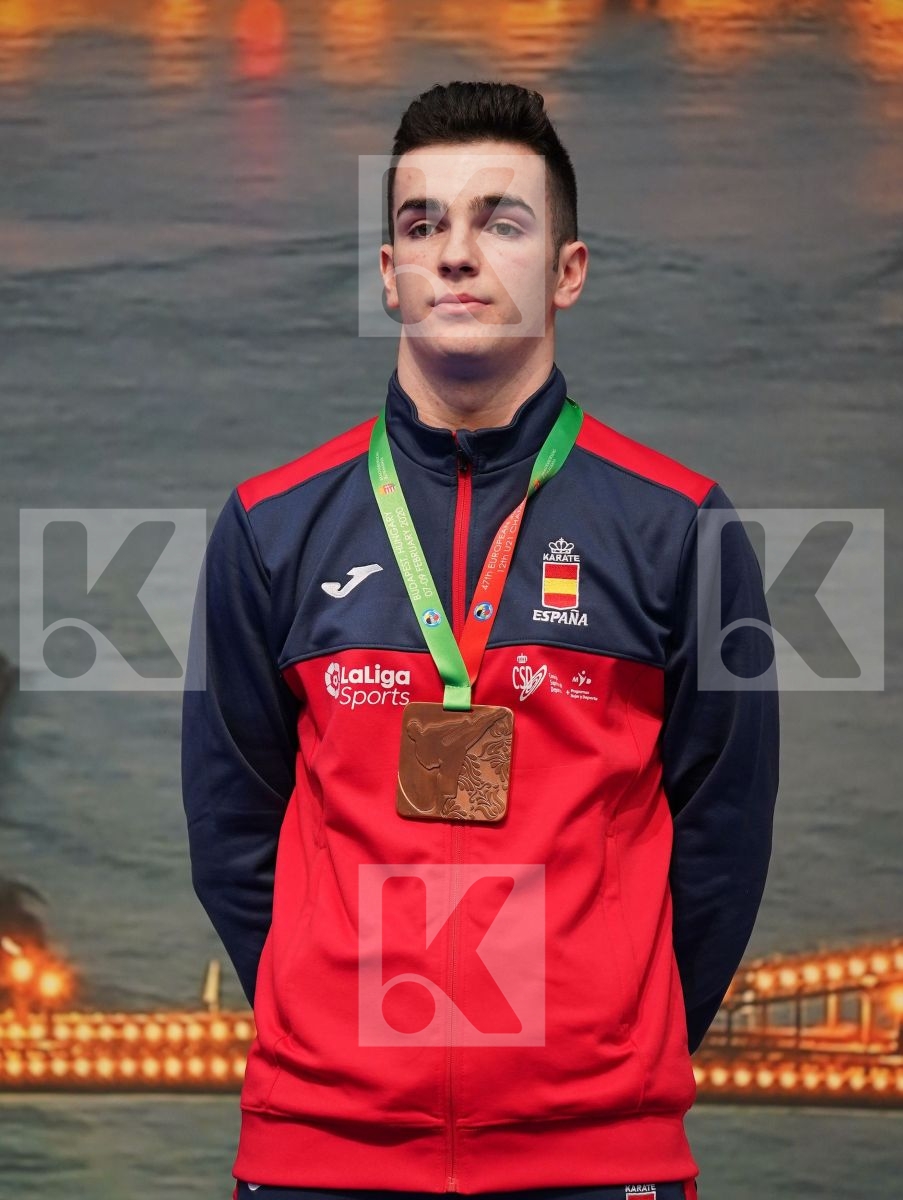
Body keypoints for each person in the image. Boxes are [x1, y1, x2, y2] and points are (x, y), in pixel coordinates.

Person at [181, 81, 779, 1200]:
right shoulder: (270, 525)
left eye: (500, 221)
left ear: (569, 272)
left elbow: (723, 844)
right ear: (388, 275)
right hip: (323, 1160)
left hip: (598, 1162)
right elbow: (232, 835)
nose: (455, 254)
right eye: (422, 225)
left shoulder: (680, 528)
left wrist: (611, 1050)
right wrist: (337, 1041)